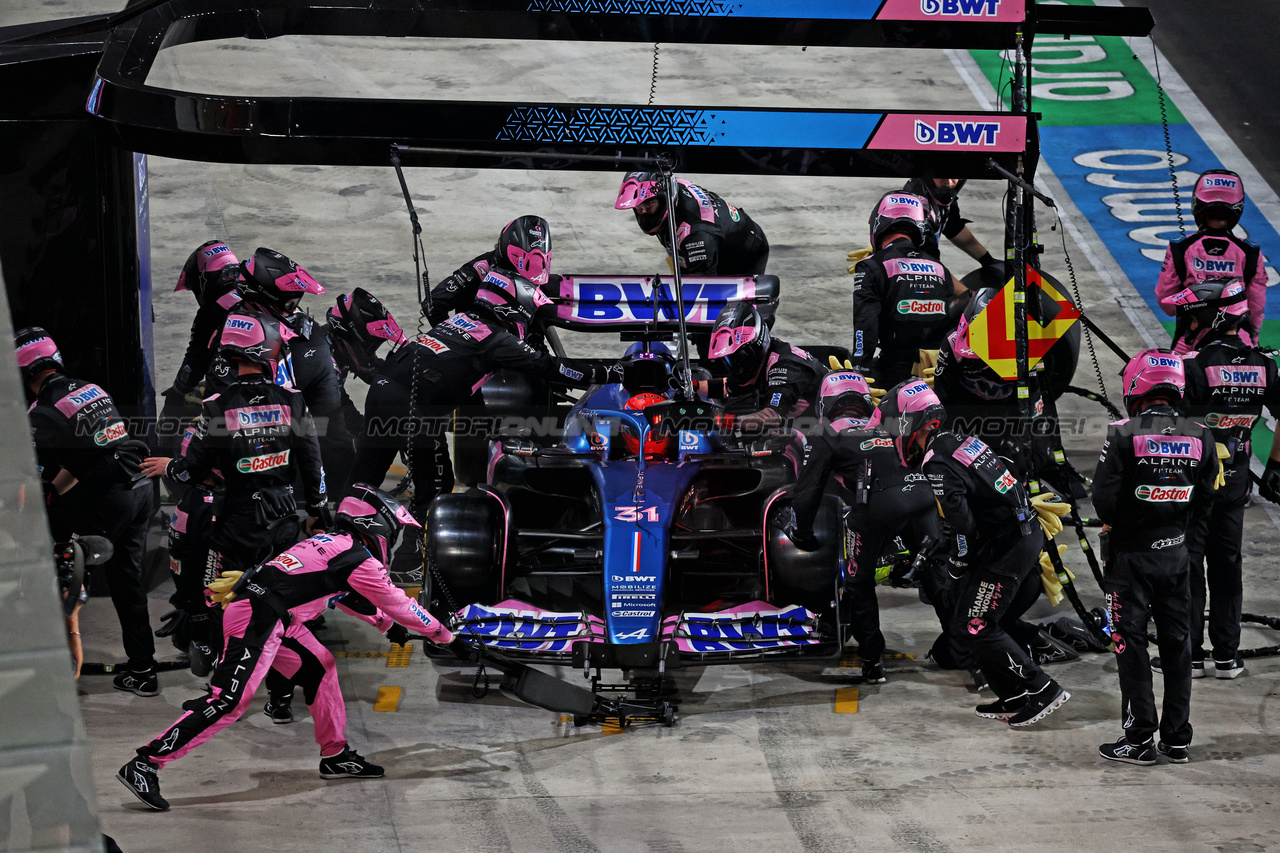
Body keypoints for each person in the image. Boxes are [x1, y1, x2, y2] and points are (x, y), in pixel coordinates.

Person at [117, 485, 455, 811]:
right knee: (229, 701)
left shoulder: (334, 544)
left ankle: (335, 756)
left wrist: (386, 624)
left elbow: (345, 596)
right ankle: (145, 763)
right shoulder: (359, 559)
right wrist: (443, 634)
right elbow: (399, 603)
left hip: (271, 616)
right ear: (378, 527)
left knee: (320, 668)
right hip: (258, 619)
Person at [349, 273, 623, 522]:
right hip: (412, 407)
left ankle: (342, 538)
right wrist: (613, 373)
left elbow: (461, 384)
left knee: (365, 478)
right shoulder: (496, 340)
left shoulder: (459, 321)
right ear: (514, 308)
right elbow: (550, 368)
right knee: (435, 491)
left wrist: (489, 427)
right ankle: (415, 559)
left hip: (382, 390)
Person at [892, 380, 1067, 726]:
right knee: (963, 621)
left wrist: (956, 569)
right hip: (1015, 537)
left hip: (1009, 547)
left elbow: (963, 528)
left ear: (914, 423)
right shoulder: (957, 440)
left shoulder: (935, 462)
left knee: (977, 623)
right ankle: (1011, 695)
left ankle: (1042, 688)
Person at [789, 369, 958, 685]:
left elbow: (807, 492)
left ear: (825, 403)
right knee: (936, 572)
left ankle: (872, 663)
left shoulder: (825, 430)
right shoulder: (889, 425)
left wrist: (802, 533)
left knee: (858, 581)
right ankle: (964, 648)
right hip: (920, 494)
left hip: (876, 505)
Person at [17, 327, 158, 695]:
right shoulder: (87, 388)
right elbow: (87, 457)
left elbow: (25, 475)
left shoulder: (41, 413)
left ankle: (53, 671)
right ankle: (143, 671)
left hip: (110, 498)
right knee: (127, 580)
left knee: (53, 563)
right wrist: (54, 491)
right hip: (140, 489)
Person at [1093, 349, 1217, 765]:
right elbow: (1206, 503)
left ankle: (1139, 738)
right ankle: (1178, 739)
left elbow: (1104, 503)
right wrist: (1183, 544)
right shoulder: (1202, 435)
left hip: (1131, 559)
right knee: (1178, 647)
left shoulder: (1123, 433)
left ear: (1137, 387)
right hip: (1178, 557)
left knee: (1130, 646)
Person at [140, 308, 328, 579]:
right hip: (284, 516)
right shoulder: (293, 400)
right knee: (282, 594)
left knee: (224, 599)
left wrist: (170, 467)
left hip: (237, 522)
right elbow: (313, 462)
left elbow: (193, 470)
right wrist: (317, 511)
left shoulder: (216, 406)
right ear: (268, 351)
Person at [1170, 281, 1280, 680]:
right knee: (1228, 564)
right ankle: (1227, 657)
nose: (1188, 323)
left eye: (1192, 316)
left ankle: (1191, 656)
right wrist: (1275, 467)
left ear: (1212, 317)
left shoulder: (1193, 366)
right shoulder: (1265, 364)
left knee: (1189, 563)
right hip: (1236, 481)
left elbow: (1175, 429)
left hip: (1195, 484)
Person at [851, 192, 962, 390]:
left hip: (893, 373)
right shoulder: (939, 267)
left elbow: (865, 323)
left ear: (879, 222)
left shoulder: (871, 266)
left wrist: (860, 370)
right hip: (936, 375)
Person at [1155, 170, 1267, 353]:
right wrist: (1253, 338)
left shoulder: (1180, 247)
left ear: (1197, 203)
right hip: (1239, 340)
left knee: (1179, 380)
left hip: (1191, 342)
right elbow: (1256, 305)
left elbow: (1166, 302)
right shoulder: (1250, 252)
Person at [699, 301, 824, 433]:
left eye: (740, 357)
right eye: (729, 359)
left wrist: (723, 421)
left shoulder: (784, 367)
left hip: (825, 429)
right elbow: (727, 387)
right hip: (802, 427)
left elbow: (772, 417)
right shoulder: (763, 359)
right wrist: (691, 386)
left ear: (756, 345)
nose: (736, 364)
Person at [614, 171, 769, 276]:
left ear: (666, 199)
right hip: (712, 237)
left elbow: (702, 289)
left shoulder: (697, 234)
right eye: (638, 208)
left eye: (648, 206)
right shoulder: (670, 185)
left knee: (725, 310)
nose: (643, 213)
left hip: (745, 252)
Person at [423, 216, 553, 326]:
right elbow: (433, 304)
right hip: (480, 343)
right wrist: (453, 341)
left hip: (514, 343)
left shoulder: (539, 274)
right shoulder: (479, 269)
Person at [902, 177, 998, 267]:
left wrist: (989, 261)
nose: (948, 182)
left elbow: (953, 227)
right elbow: (931, 268)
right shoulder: (919, 210)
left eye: (954, 175)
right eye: (942, 175)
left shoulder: (935, 192)